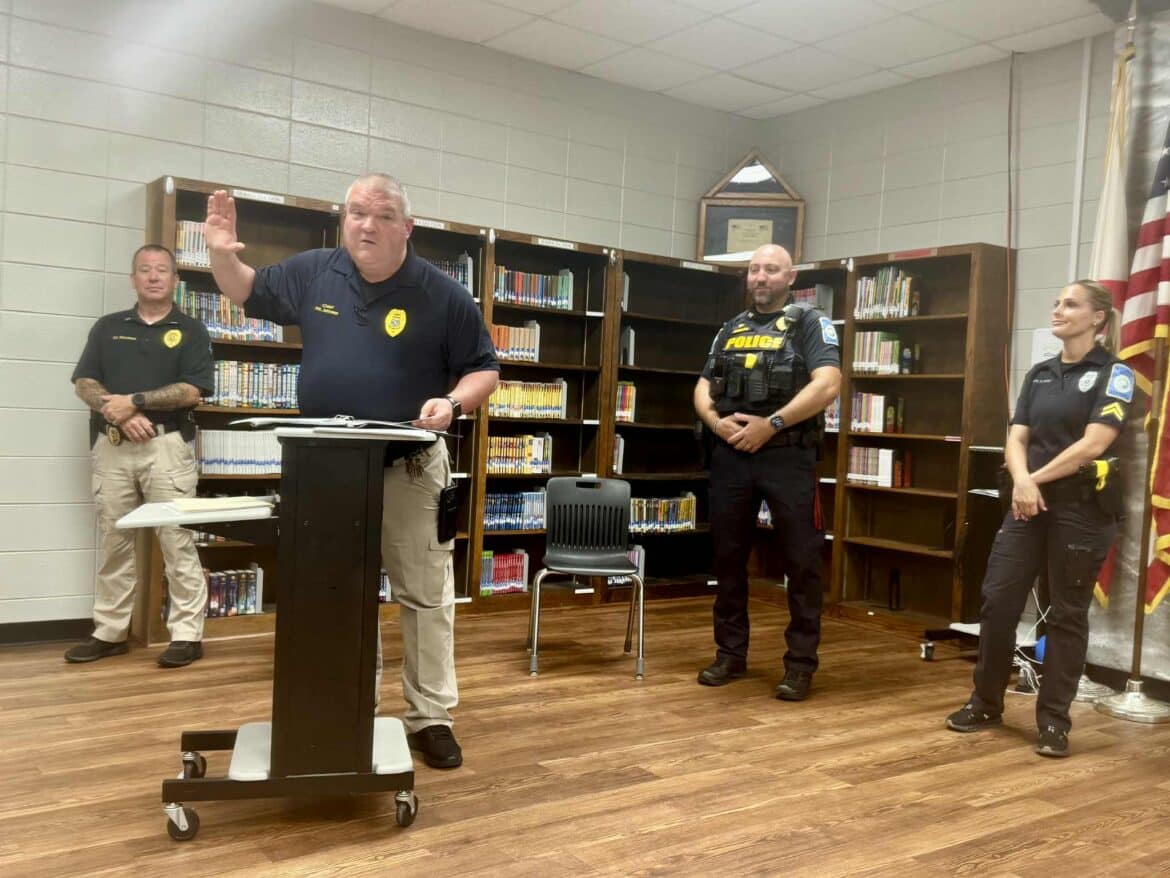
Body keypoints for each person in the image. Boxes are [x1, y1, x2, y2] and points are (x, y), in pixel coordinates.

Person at [203, 173, 498, 769]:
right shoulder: (315, 271)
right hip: (328, 472)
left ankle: (431, 716)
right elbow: (247, 290)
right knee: (340, 594)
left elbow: (484, 370)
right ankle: (354, 705)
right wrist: (220, 255)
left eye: (383, 216)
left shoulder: (443, 294)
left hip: (409, 469)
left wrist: (453, 403)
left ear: (407, 228)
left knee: (425, 597)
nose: (367, 225)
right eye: (357, 213)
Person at [945, 279, 1132, 757]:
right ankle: (985, 703)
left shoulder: (1115, 374)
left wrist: (1033, 481)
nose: (1058, 310)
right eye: (1056, 303)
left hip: (1080, 509)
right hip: (1026, 505)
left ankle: (1053, 722)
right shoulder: (1041, 373)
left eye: (1070, 304)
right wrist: (1022, 482)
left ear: (1097, 318)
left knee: (1066, 615)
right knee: (998, 601)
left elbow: (1094, 443)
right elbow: (1016, 437)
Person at [693, 243, 842, 701]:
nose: (760, 277)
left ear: (790, 277)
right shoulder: (730, 328)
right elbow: (702, 387)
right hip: (732, 455)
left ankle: (800, 665)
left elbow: (828, 384)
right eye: (754, 269)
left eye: (771, 270)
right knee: (728, 558)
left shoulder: (811, 323)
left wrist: (771, 424)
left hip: (786, 456)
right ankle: (730, 654)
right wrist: (716, 423)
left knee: (802, 561)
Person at [66, 244, 214, 668]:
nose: (153, 276)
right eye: (144, 270)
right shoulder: (108, 327)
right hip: (112, 445)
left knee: (177, 540)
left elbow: (193, 390)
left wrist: (134, 402)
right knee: (114, 541)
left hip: (167, 448)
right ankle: (110, 631)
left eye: (161, 270)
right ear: (133, 279)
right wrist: (118, 413)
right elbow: (84, 382)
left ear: (175, 281)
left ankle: (187, 635)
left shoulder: (191, 330)